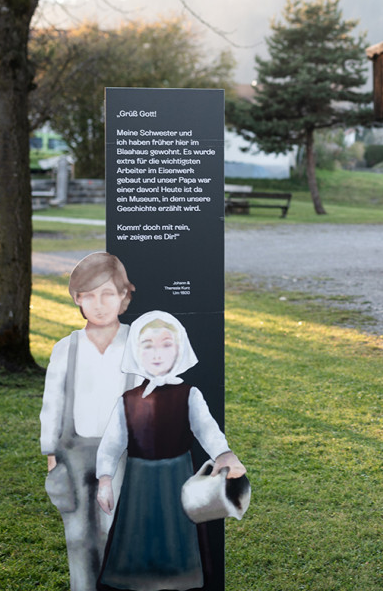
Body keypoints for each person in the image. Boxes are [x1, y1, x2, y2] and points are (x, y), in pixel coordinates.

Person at [95, 311, 246, 591]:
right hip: (139, 482)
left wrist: (224, 454)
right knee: (137, 534)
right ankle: (137, 580)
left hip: (177, 478)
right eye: (148, 345)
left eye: (166, 344)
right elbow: (112, 444)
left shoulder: (189, 395)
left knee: (177, 536)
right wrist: (105, 479)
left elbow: (207, 430)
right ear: (136, 351)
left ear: (180, 348)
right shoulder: (127, 401)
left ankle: (178, 580)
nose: (157, 353)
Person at [40, 252, 141, 591]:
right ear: (77, 298)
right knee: (79, 534)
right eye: (90, 296)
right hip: (75, 450)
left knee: (114, 529)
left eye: (108, 294)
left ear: (124, 297)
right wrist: (51, 455)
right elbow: (52, 403)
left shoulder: (136, 344)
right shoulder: (66, 348)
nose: (99, 305)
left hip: (122, 454)